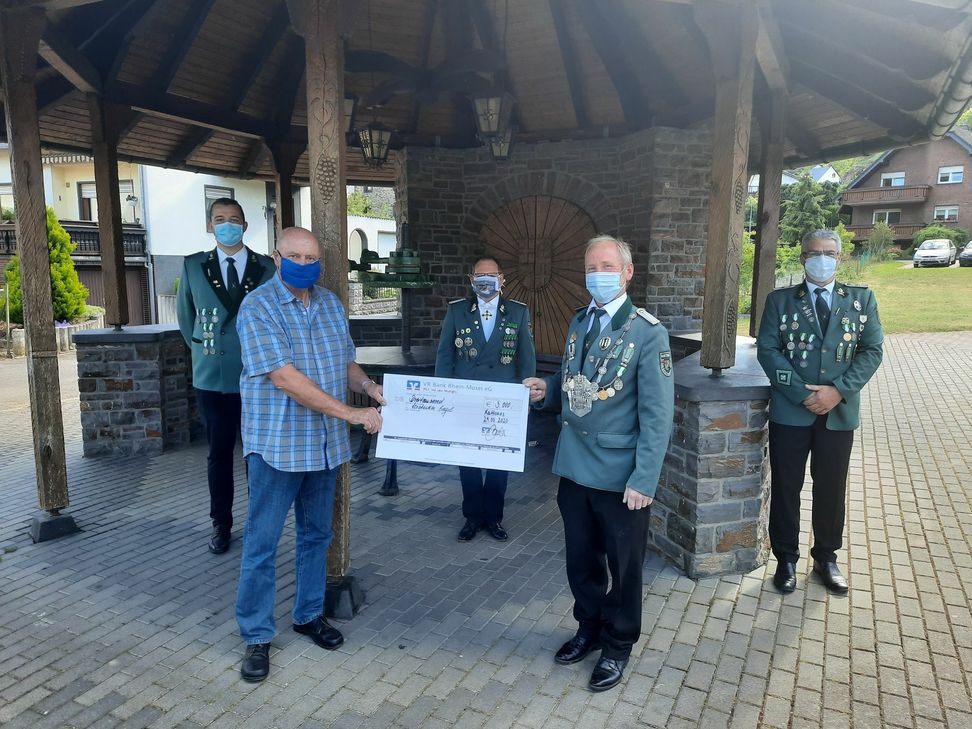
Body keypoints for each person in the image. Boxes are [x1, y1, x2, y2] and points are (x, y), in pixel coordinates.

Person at [523, 234, 674, 693]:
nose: (598, 275)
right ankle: (588, 628)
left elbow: (657, 414)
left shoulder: (648, 332)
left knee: (625, 568)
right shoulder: (580, 321)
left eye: (608, 266)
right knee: (581, 561)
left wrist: (644, 478)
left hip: (620, 476)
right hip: (574, 466)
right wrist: (547, 391)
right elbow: (576, 381)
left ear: (627, 272)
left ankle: (617, 644)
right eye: (592, 266)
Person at [234, 226, 385, 683]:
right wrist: (352, 415)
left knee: (316, 536)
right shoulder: (257, 307)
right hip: (278, 447)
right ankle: (256, 635)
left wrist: (367, 386)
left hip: (324, 448)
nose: (305, 263)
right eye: (295, 255)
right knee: (261, 544)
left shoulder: (330, 304)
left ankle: (307, 614)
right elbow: (285, 378)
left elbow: (345, 361)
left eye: (312, 256)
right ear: (276, 258)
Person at [756, 229, 883, 595]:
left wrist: (837, 392)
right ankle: (786, 558)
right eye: (814, 252)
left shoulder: (861, 299)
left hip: (838, 414)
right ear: (802, 259)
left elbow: (872, 350)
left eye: (829, 252)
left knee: (830, 487)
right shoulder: (780, 301)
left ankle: (827, 557)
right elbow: (768, 349)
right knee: (786, 487)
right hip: (791, 413)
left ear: (840, 258)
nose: (822, 258)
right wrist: (800, 394)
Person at [176, 198, 275, 555]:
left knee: (257, 455)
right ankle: (221, 523)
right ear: (209, 225)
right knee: (219, 455)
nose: (227, 225)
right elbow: (187, 322)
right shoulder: (192, 266)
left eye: (234, 219)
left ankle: (259, 524)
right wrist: (207, 352)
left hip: (259, 375)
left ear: (246, 225)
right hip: (214, 376)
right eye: (220, 219)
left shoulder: (265, 266)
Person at [435, 256, 536, 542]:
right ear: (471, 280)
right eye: (479, 275)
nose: (485, 280)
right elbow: (445, 355)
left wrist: (525, 397)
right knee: (466, 458)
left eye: (491, 275)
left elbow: (526, 357)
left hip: (503, 399)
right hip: (466, 397)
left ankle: (493, 518)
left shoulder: (517, 312)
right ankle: (472, 517)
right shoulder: (457, 311)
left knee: (498, 461)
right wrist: (443, 395)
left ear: (502, 279)